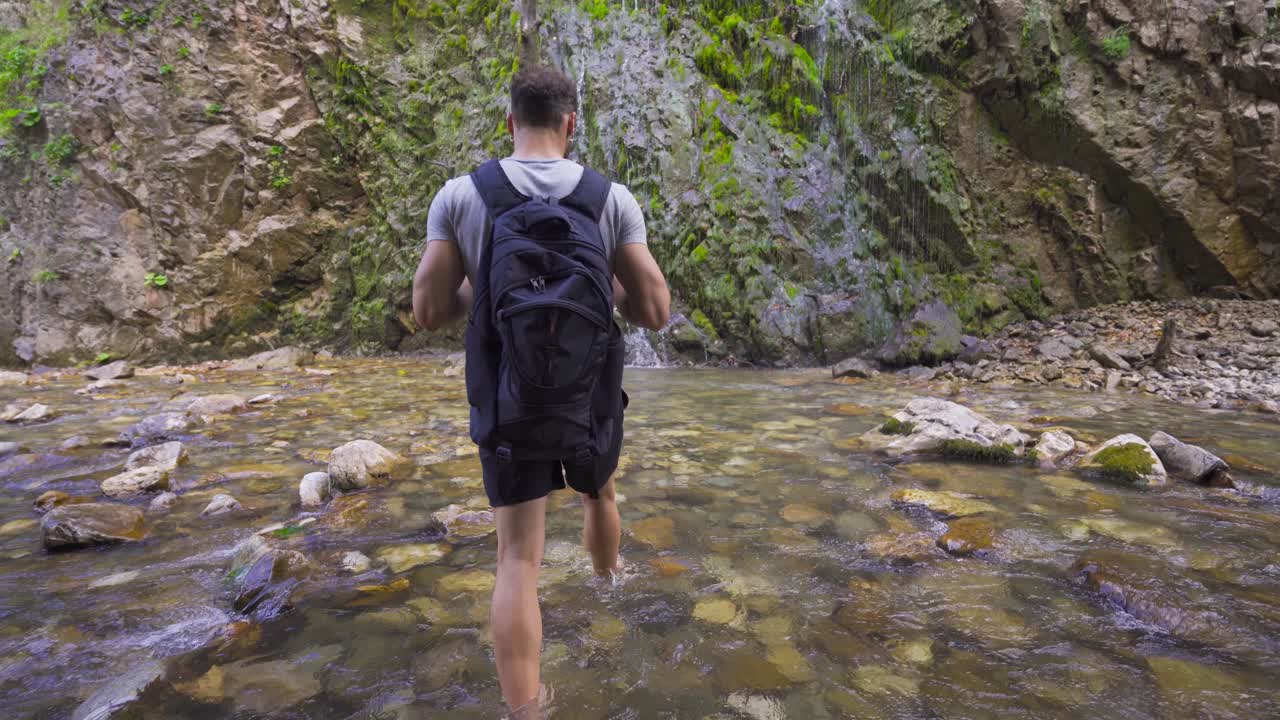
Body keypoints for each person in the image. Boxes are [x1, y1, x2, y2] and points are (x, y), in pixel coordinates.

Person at [411, 64, 670, 718]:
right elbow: (654, 311)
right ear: (570, 123)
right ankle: (609, 580)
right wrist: (604, 290)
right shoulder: (612, 199)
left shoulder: (460, 196)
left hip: (508, 394)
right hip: (588, 392)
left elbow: (429, 310)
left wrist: (483, 289)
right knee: (599, 490)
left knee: (518, 559)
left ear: (509, 121)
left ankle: (526, 708)